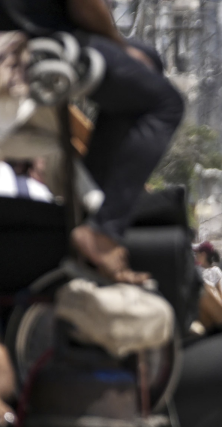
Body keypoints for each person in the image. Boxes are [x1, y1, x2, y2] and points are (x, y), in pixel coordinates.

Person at [0, 0, 185, 284]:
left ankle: (92, 216)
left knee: (144, 65)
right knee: (165, 104)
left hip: (24, 37)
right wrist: (119, 45)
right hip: (31, 44)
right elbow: (84, 6)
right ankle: (103, 233)